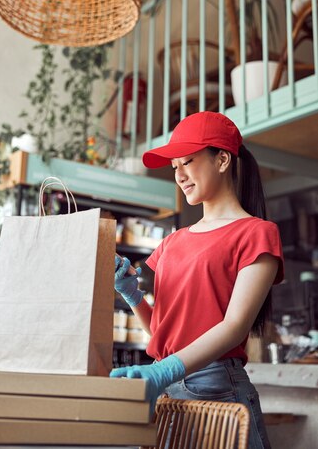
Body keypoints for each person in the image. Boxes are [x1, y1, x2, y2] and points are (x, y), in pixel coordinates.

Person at [111, 111, 284, 449]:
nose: (179, 175)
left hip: (218, 387)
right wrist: (133, 297)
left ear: (222, 160)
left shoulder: (257, 234)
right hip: (170, 390)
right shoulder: (172, 242)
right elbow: (167, 332)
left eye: (187, 162)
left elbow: (235, 326)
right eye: (174, 167)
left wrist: (163, 371)